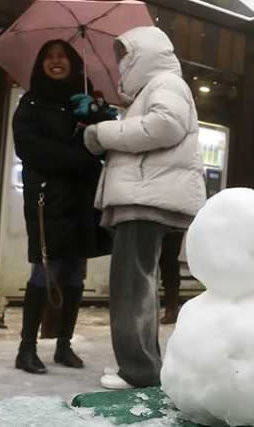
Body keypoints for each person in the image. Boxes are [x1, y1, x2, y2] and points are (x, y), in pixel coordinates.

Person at [82, 26, 206, 389]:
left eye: (125, 55)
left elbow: (166, 126)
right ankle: (141, 365)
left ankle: (139, 371)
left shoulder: (166, 83)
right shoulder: (157, 88)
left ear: (143, 54)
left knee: (132, 285)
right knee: (137, 285)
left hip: (146, 198)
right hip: (144, 196)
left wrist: (103, 133)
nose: (120, 64)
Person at [12, 40, 113, 374]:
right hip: (47, 199)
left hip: (81, 201)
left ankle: (63, 347)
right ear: (41, 64)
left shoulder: (81, 102)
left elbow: (101, 150)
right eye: (49, 57)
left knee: (75, 274)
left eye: (62, 57)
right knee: (45, 271)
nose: (56, 62)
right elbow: (30, 148)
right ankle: (26, 349)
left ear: (74, 63)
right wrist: (81, 158)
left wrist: (98, 123)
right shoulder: (31, 101)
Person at [159, 231, 185, 324]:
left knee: (169, 259)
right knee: (169, 260)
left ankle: (172, 308)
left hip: (173, 223)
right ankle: (172, 308)